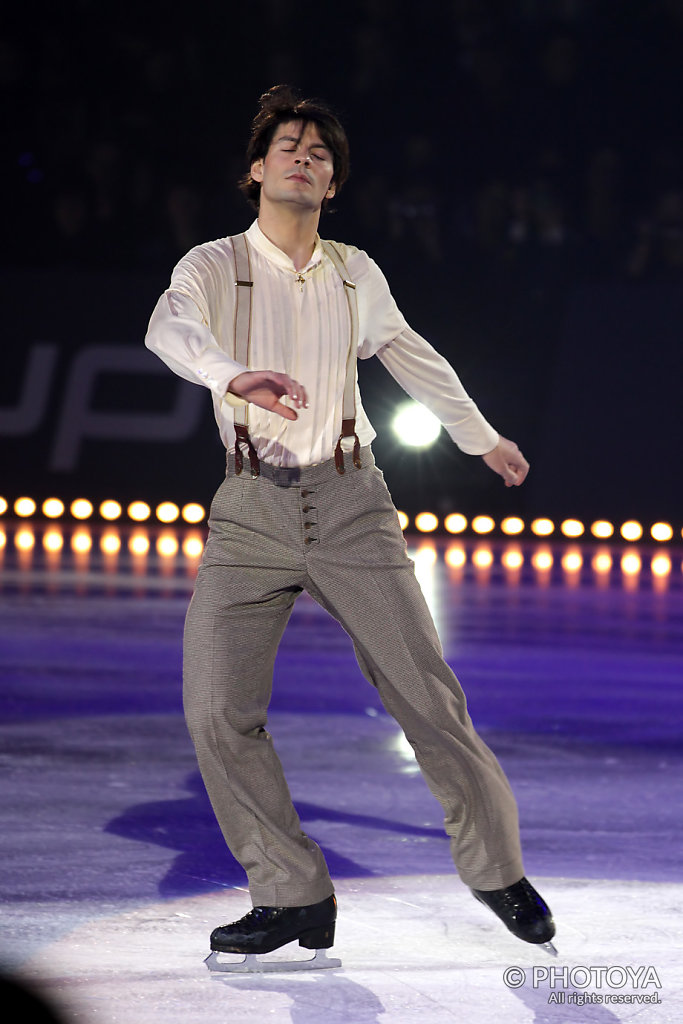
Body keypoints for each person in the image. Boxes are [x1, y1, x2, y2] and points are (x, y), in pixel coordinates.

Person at [145, 85, 556, 968]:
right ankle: (291, 893)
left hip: (349, 502)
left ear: (331, 186)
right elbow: (168, 328)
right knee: (216, 708)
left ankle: (495, 871)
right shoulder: (214, 264)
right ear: (255, 170)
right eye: (287, 146)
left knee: (425, 696)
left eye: (320, 154)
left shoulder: (352, 269)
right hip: (249, 512)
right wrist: (232, 375)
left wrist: (480, 440)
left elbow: (411, 353)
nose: (304, 157)